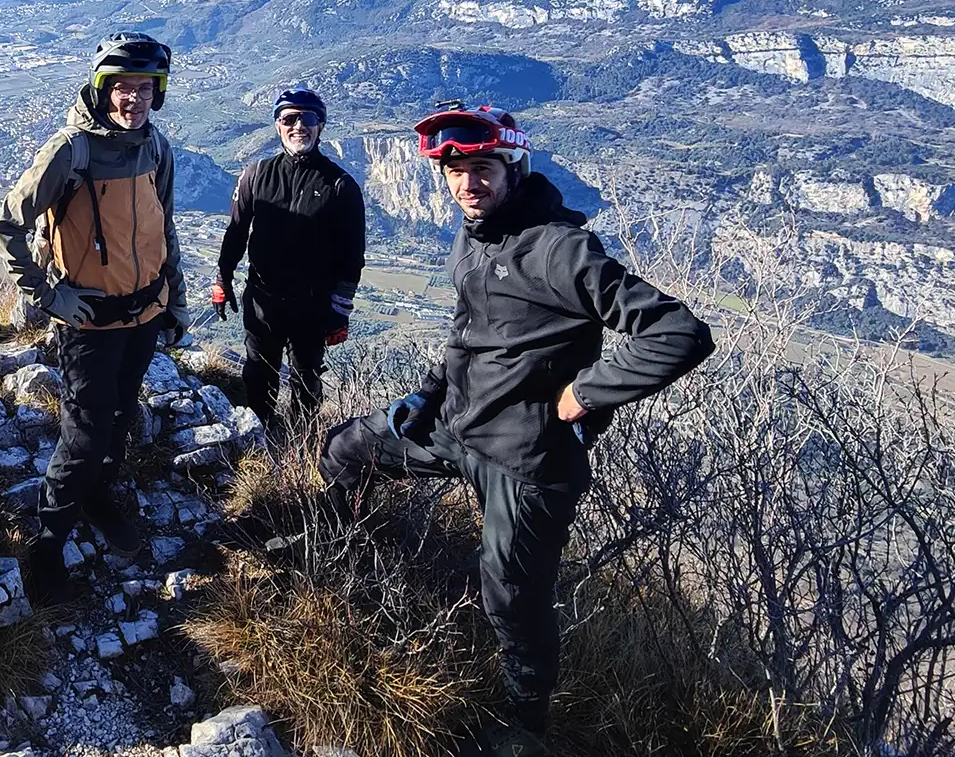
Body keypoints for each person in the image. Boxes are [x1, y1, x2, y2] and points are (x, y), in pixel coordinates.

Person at [318, 104, 713, 751]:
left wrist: (588, 392)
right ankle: (343, 560)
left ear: (512, 167)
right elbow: (469, 329)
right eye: (455, 172)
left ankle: (524, 723)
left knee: (511, 598)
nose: (466, 183)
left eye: (481, 169)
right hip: (458, 425)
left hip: (526, 460)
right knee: (345, 449)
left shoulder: (559, 249)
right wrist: (427, 394)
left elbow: (680, 332)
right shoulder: (475, 233)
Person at [0, 32, 186, 600]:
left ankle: (101, 497)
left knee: (123, 414)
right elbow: (8, 225)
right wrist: (49, 297)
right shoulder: (70, 150)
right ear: (102, 90)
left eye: (146, 87)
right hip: (89, 322)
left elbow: (163, 227)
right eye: (123, 87)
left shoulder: (156, 148)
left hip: (143, 313)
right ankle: (47, 545)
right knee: (83, 434)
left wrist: (174, 299)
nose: (135, 98)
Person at [214, 87, 366, 436]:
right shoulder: (256, 174)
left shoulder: (341, 186)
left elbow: (352, 254)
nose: (299, 126)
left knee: (306, 381)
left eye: (308, 118)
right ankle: (259, 446)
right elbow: (236, 232)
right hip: (262, 298)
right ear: (277, 126)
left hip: (313, 305)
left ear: (321, 126)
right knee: (258, 375)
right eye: (289, 118)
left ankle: (304, 450)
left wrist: (340, 308)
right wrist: (222, 278)